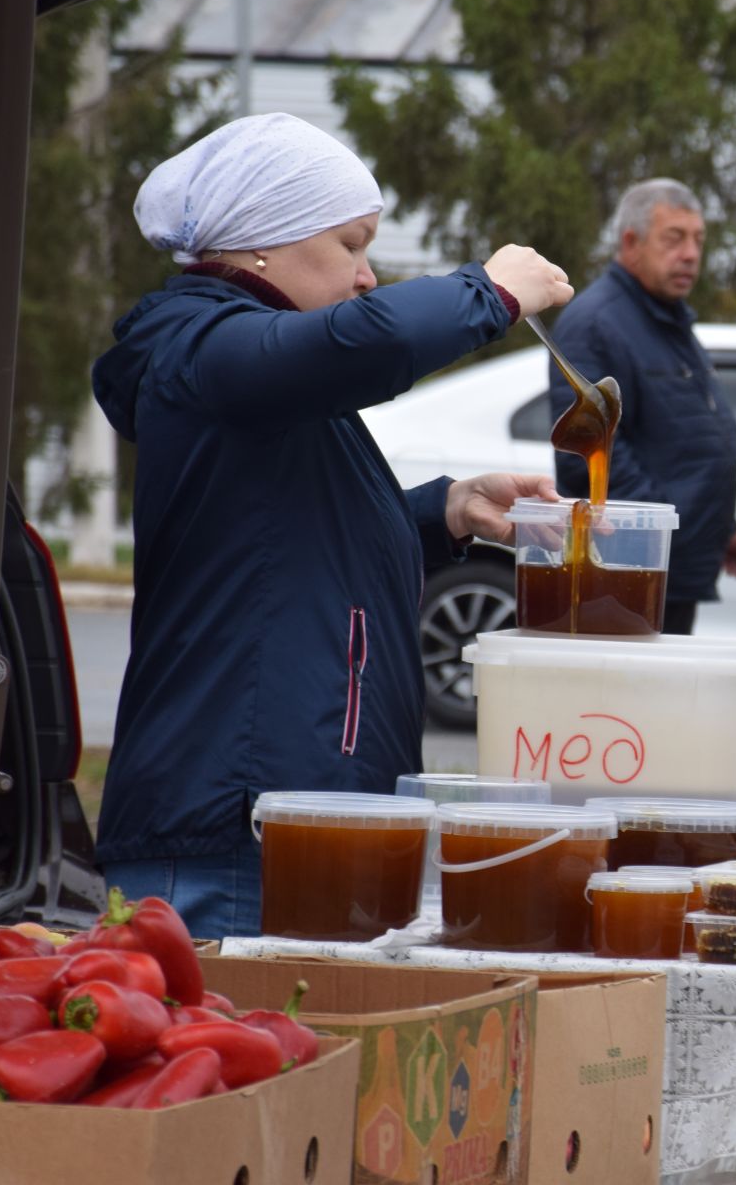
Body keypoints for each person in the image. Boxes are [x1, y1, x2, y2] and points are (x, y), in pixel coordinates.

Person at [91, 112, 574, 939]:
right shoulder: (205, 348)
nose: (366, 276)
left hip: (290, 820)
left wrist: (446, 510)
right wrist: (487, 292)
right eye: (350, 243)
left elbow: (291, 539)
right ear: (264, 244)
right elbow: (367, 343)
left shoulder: (255, 378)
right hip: (234, 830)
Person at [547, 178, 736, 634]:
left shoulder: (668, 320)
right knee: (627, 706)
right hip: (629, 573)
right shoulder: (596, 324)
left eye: (698, 239)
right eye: (674, 238)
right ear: (631, 242)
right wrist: (663, 529)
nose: (691, 254)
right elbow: (590, 458)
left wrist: (723, 527)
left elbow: (682, 438)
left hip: (669, 568)